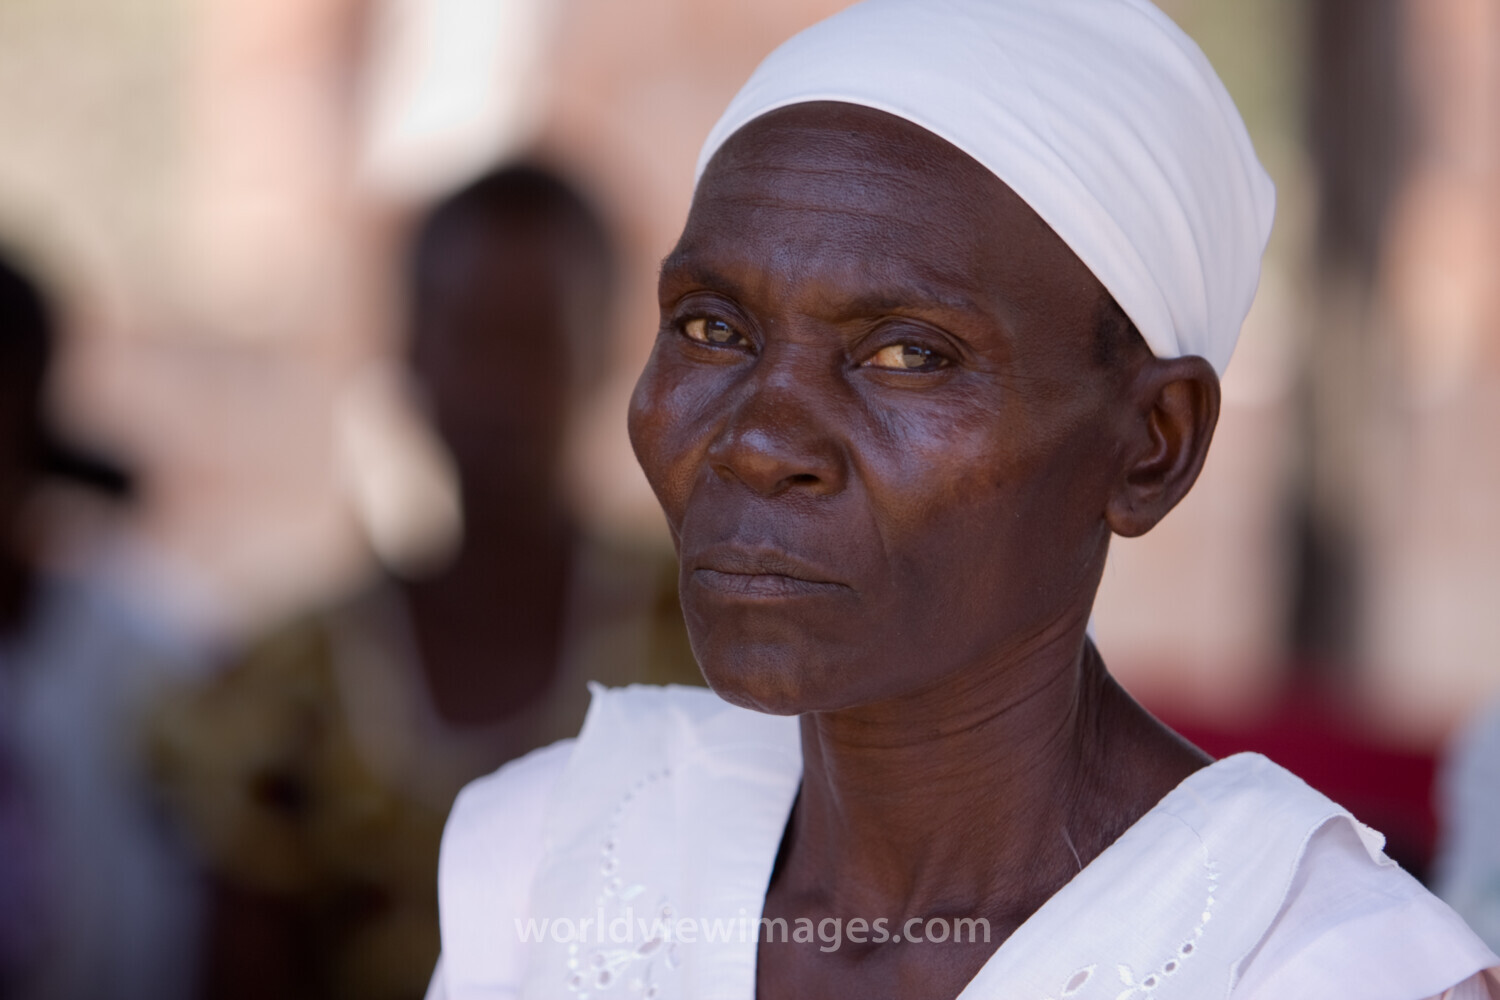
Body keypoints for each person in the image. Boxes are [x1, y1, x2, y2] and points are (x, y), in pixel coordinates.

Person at [427, 2, 1500, 998]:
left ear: (1152, 446)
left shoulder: (1323, 967)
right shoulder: (553, 858)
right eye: (712, 327)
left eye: (908, 353)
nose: (757, 441)